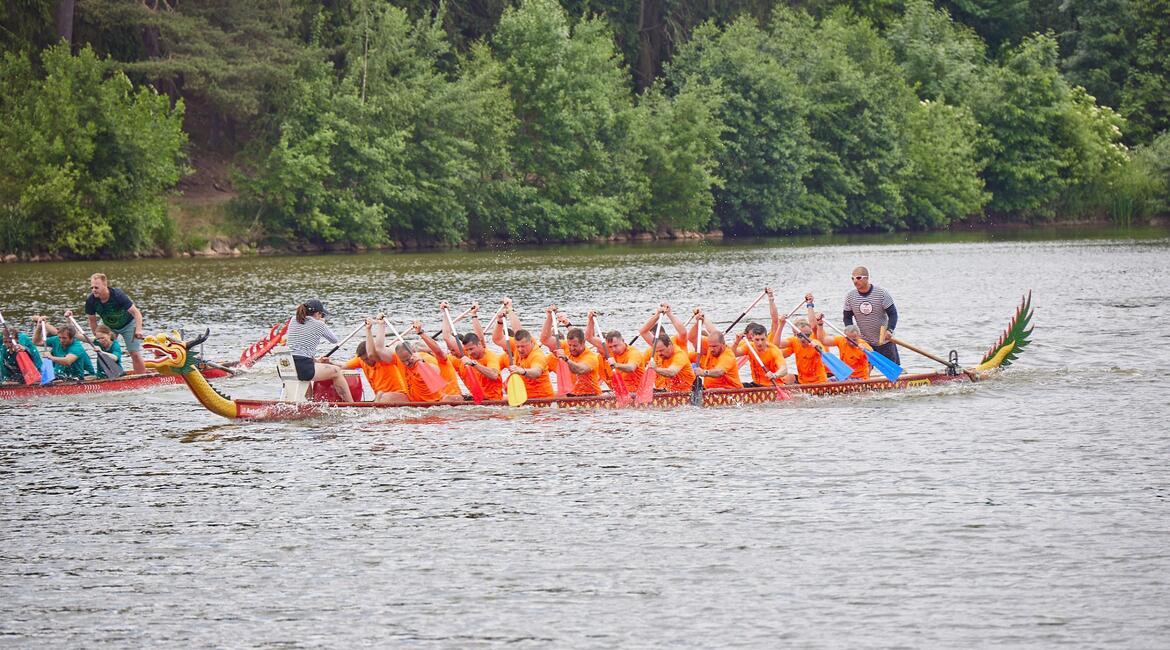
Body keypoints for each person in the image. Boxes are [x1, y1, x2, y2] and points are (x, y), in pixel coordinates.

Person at [284, 299, 353, 402]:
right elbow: (334, 340)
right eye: (322, 315)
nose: (322, 317)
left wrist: (315, 361)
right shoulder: (319, 324)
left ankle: (309, 403)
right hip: (302, 367)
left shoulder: (293, 320)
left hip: (286, 366)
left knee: (306, 378)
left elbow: (299, 348)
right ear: (317, 313)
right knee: (337, 371)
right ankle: (351, 404)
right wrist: (322, 323)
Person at [83, 273, 147, 374]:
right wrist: (97, 336)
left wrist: (138, 330)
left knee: (134, 353)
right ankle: (111, 376)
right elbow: (92, 320)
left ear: (105, 285)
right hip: (109, 327)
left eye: (96, 287)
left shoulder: (118, 295)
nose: (93, 290)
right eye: (92, 287)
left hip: (130, 325)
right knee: (107, 351)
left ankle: (143, 378)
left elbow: (137, 313)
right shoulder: (91, 300)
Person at [491, 301, 554, 399]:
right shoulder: (516, 345)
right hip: (523, 397)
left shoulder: (537, 355)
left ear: (531, 342)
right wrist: (499, 321)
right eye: (518, 346)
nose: (520, 349)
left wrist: (522, 371)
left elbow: (536, 372)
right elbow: (497, 339)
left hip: (542, 399)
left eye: (523, 346)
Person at [343, 318, 408, 403]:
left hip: (400, 395)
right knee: (380, 394)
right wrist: (328, 362)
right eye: (363, 359)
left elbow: (373, 352)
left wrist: (369, 329)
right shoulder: (361, 360)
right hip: (380, 397)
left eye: (366, 359)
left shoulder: (382, 359)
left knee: (382, 395)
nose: (366, 361)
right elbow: (342, 366)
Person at [843, 266, 899, 363]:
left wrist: (890, 330)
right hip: (864, 343)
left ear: (867, 278)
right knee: (864, 371)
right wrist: (852, 334)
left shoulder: (882, 293)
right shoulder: (850, 296)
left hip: (884, 341)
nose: (855, 281)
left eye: (858, 278)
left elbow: (893, 314)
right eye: (852, 278)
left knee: (894, 372)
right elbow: (847, 318)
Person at [541, 307, 602, 396]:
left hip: (590, 396)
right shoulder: (565, 346)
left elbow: (580, 369)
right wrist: (549, 317)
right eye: (570, 345)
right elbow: (545, 339)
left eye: (575, 346)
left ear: (583, 343)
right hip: (571, 394)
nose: (572, 348)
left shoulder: (591, 357)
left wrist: (566, 359)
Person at [584, 310, 646, 393]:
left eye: (616, 346)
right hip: (618, 393)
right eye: (610, 347)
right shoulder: (608, 350)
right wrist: (590, 320)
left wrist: (615, 365)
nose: (613, 349)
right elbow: (589, 337)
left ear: (623, 341)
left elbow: (631, 368)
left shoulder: (633, 353)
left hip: (639, 393)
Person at [453, 303, 506, 400]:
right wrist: (473, 315)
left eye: (471, 349)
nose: (469, 352)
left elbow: (494, 375)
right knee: (450, 399)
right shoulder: (468, 353)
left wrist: (474, 364)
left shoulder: (490, 356)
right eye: (467, 349)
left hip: (492, 399)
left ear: (479, 345)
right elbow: (448, 339)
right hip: (478, 397)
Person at [690, 315, 743, 390]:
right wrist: (699, 322)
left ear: (723, 344)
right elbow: (692, 337)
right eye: (710, 346)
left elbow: (719, 372)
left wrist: (704, 372)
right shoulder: (710, 346)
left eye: (714, 346)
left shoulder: (727, 355)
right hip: (710, 390)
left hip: (730, 390)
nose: (711, 349)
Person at [735, 322, 795, 386]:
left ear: (766, 337)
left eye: (762, 339)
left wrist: (775, 375)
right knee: (737, 386)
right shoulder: (749, 347)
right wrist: (736, 341)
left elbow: (784, 369)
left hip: (772, 385)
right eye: (757, 340)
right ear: (752, 338)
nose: (760, 343)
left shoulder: (774, 350)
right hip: (756, 384)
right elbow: (734, 354)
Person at [779, 310, 829, 385]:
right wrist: (780, 324)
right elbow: (777, 347)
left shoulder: (815, 338)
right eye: (799, 335)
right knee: (787, 378)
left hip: (822, 378)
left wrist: (810, 306)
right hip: (803, 381)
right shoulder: (794, 341)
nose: (803, 338)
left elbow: (814, 326)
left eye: (806, 335)